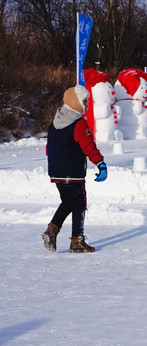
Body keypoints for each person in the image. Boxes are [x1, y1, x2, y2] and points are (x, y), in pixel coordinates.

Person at [41, 85, 108, 253]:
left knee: (68, 202)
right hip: (73, 173)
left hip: (56, 172)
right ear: (76, 102)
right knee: (79, 204)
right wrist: (100, 163)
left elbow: (49, 148)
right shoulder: (78, 123)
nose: (86, 104)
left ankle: (52, 230)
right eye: (83, 101)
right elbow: (88, 146)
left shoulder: (55, 122)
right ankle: (77, 241)